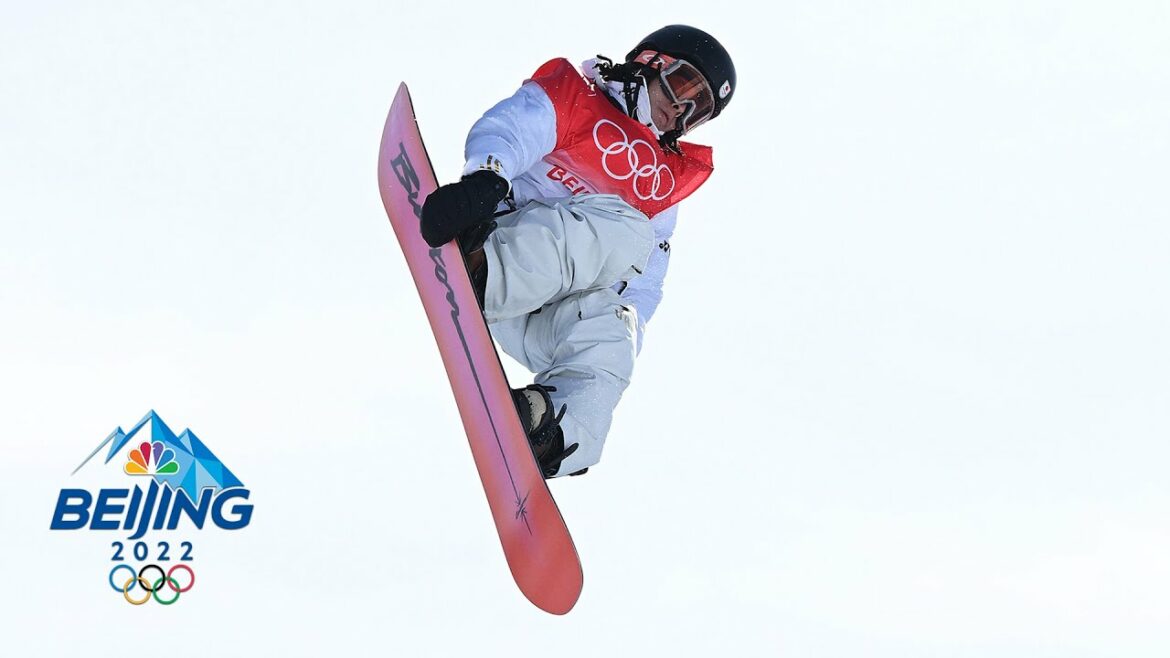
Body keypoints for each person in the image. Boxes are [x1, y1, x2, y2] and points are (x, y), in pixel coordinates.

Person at [420, 25, 736, 478]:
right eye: (683, 86)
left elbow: (646, 286)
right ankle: (485, 271)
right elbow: (512, 128)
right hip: (502, 245)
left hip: (541, 312)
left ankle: (551, 429)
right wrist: (484, 179)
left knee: (618, 325)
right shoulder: (578, 99)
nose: (682, 110)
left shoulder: (663, 184)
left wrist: (620, 337)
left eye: (699, 109)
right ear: (649, 61)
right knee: (627, 227)